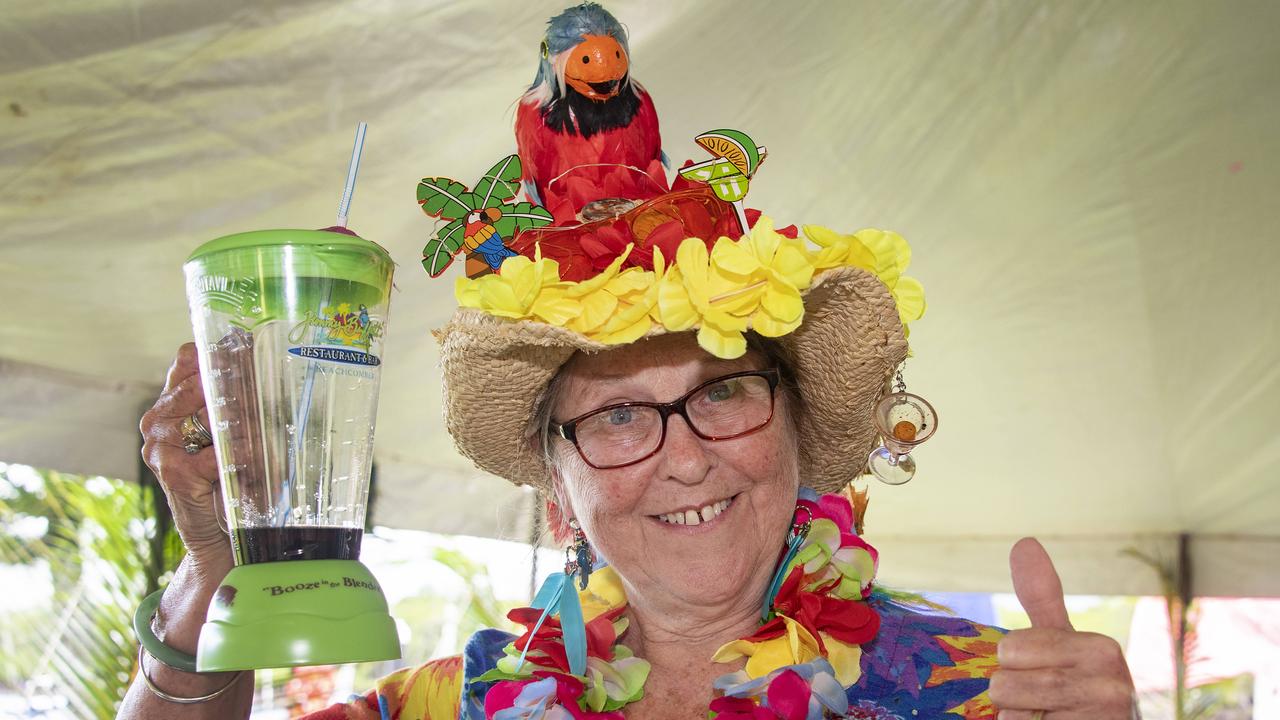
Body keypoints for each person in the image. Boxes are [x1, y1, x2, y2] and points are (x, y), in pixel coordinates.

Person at [120, 209, 1139, 719]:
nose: (685, 459)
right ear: (560, 491)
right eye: (615, 417)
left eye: (723, 392)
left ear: (795, 432)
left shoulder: (981, 691)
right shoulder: (467, 702)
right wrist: (216, 565)